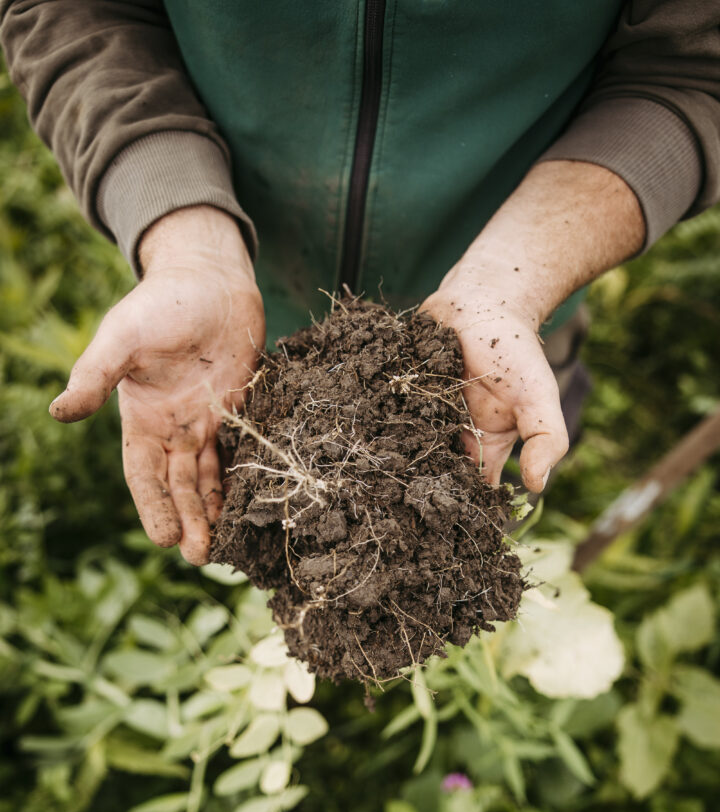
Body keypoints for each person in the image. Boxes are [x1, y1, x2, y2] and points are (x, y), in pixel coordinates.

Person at [1, 2, 718, 566]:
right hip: (228, 313)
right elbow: (73, 9)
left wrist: (517, 279)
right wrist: (182, 230)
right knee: (261, 514)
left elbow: (693, 65)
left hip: (508, 304)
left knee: (499, 468)